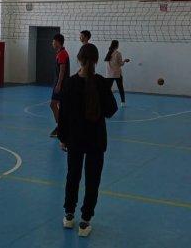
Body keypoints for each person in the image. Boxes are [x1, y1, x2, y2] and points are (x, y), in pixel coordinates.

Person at [58, 43, 118, 237]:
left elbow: (63, 115)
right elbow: (111, 110)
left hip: (75, 139)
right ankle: (85, 221)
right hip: (96, 140)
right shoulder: (101, 82)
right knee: (93, 180)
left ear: (79, 59)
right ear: (96, 60)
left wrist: (62, 138)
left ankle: (69, 215)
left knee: (72, 176)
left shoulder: (70, 83)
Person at [50, 33, 70, 138]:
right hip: (61, 83)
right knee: (58, 105)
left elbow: (62, 70)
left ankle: (61, 127)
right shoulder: (60, 53)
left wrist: (58, 84)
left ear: (58, 42)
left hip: (61, 84)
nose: (52, 43)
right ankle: (61, 127)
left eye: (53, 41)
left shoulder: (62, 53)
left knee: (53, 104)